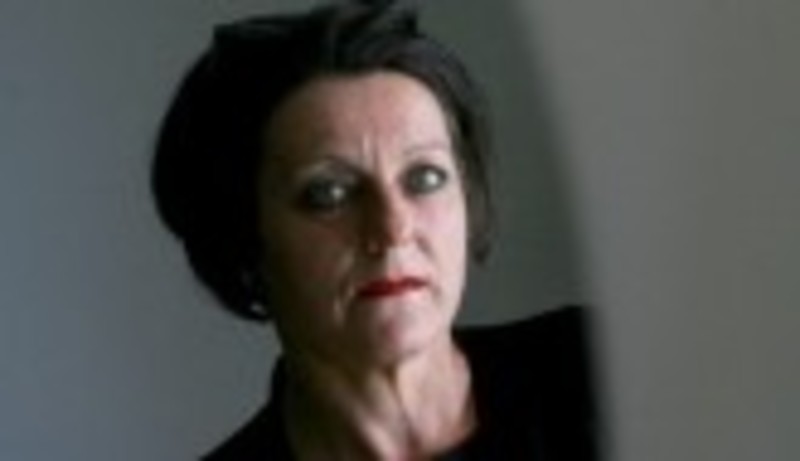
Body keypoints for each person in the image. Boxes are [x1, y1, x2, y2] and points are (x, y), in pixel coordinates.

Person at [152, 1, 598, 459]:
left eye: (425, 178)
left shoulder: (603, 369)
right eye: (329, 193)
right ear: (242, 237)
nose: (393, 228)